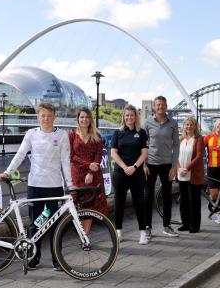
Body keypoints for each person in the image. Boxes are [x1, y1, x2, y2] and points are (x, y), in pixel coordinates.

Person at [0, 102, 72, 270]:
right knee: (36, 223)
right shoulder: (31, 134)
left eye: (49, 115)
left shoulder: (62, 135)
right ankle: (32, 256)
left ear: (54, 117)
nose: (46, 119)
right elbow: (20, 154)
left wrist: (70, 185)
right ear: (38, 117)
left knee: (55, 224)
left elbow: (65, 162)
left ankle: (57, 259)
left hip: (55, 187)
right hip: (35, 185)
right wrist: (7, 172)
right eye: (42, 115)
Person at [110, 104, 149, 244]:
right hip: (120, 173)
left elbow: (145, 153)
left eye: (132, 115)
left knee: (139, 203)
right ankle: (118, 231)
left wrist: (134, 166)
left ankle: (143, 233)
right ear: (123, 117)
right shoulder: (118, 133)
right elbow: (113, 152)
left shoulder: (141, 132)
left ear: (135, 117)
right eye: (127, 115)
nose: (129, 117)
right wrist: (125, 166)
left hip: (136, 173)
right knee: (119, 202)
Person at [144, 96, 180, 238]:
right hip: (151, 164)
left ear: (166, 106)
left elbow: (176, 145)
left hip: (167, 165)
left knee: (167, 196)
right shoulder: (147, 122)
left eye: (163, 105)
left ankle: (167, 226)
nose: (160, 107)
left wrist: (174, 166)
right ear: (154, 106)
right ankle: (147, 227)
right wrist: (144, 165)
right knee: (147, 196)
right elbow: (143, 144)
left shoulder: (173, 123)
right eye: (158, 105)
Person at [69, 107, 108, 234]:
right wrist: (88, 165)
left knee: (89, 205)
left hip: (93, 175)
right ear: (78, 119)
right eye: (82, 117)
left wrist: (91, 171)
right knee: (77, 204)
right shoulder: (72, 135)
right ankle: (80, 233)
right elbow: (71, 156)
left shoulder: (97, 136)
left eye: (87, 117)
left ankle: (85, 236)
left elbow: (98, 156)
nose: (84, 119)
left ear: (91, 119)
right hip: (77, 175)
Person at [177, 117, 204, 233]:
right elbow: (175, 156)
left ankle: (195, 225)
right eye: (187, 125)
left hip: (194, 174)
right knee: (184, 201)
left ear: (195, 126)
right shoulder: (181, 139)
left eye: (191, 125)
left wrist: (187, 168)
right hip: (181, 174)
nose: (189, 127)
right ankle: (185, 223)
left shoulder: (198, 139)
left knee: (194, 201)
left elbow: (199, 156)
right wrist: (179, 168)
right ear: (184, 126)